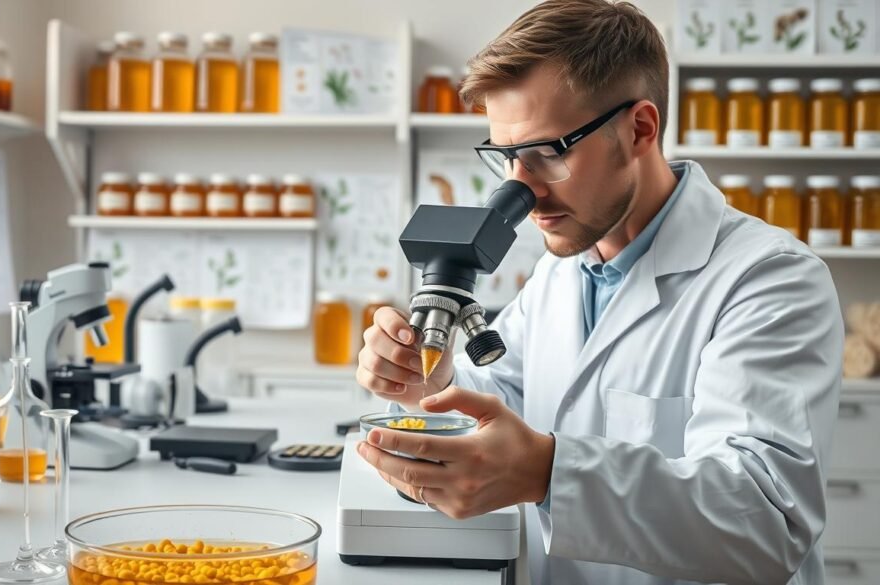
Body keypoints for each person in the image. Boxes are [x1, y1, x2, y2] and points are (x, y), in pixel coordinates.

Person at [355, 1, 843, 583]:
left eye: (545, 153)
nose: (522, 192)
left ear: (640, 129)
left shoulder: (772, 281)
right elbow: (507, 394)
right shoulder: (563, 270)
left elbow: (766, 523)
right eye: (506, 157)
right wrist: (431, 382)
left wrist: (547, 473)